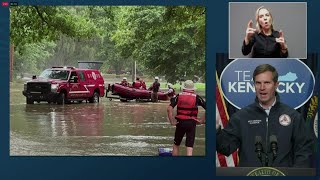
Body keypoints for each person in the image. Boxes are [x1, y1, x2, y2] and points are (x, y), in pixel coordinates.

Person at [216, 64, 313, 167]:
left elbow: (304, 152)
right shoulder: (241, 117)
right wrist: (215, 129)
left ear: (276, 85)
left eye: (267, 83)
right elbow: (225, 148)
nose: (262, 88)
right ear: (254, 85)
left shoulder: (293, 117)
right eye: (258, 83)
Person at [167, 80, 206, 156]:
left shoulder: (178, 96)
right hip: (191, 123)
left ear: (183, 88)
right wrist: (201, 120)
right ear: (193, 89)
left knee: (176, 144)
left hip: (180, 122)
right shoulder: (197, 97)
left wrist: (172, 121)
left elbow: (169, 109)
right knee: (189, 146)